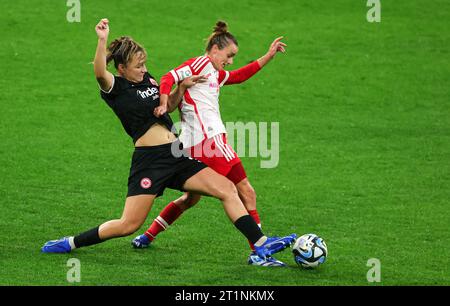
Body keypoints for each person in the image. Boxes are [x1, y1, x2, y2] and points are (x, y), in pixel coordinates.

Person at [41, 19, 296, 263]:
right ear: (121, 69)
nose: (144, 69)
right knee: (128, 224)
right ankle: (72, 242)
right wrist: (102, 40)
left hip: (175, 153)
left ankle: (260, 243)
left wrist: (182, 89)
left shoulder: (149, 80)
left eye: (144, 64)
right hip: (150, 162)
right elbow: (98, 71)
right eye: (138, 66)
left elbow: (170, 106)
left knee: (227, 189)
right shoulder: (114, 86)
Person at [132, 21, 290, 267]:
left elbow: (238, 76)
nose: (230, 61)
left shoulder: (214, 71)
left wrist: (268, 56)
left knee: (189, 200)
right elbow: (167, 77)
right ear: (215, 48)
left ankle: (147, 236)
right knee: (246, 191)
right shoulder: (200, 64)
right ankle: (260, 251)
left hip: (194, 145)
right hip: (210, 141)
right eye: (229, 55)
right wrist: (164, 102)